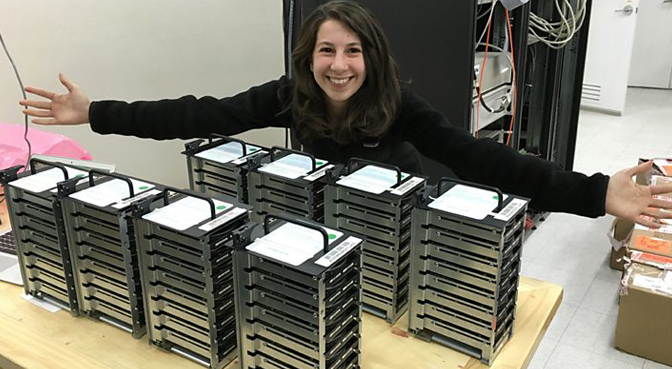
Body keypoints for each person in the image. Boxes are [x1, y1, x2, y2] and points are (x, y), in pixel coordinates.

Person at [19, 0, 672, 227]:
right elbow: (198, 114)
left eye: (352, 51)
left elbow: (481, 157)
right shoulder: (289, 95)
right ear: (310, 58)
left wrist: (591, 193)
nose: (339, 64)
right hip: (324, 216)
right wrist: (95, 112)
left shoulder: (399, 106)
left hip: (398, 216)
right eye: (327, 50)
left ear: (371, 58)